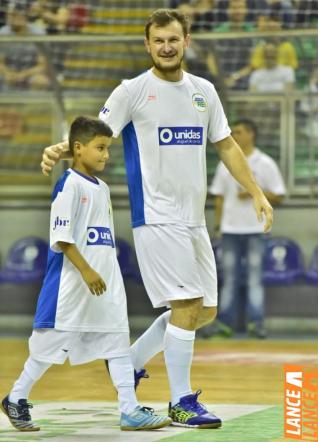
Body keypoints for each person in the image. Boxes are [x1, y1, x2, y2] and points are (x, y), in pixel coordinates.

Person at [40, 9, 273, 429]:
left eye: (173, 39)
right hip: (156, 216)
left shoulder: (204, 91)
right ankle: (181, 402)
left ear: (186, 41)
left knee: (205, 311)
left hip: (194, 219)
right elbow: (98, 132)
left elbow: (227, 147)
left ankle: (128, 362)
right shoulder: (132, 90)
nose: (166, 47)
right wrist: (63, 147)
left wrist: (256, 192)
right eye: (158, 40)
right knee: (185, 304)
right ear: (147, 45)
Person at [0, 116, 172, 432]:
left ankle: (130, 409)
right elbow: (62, 238)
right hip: (71, 287)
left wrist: (104, 273)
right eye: (100, 147)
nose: (107, 155)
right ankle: (16, 397)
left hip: (104, 285)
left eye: (108, 148)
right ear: (78, 149)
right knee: (46, 349)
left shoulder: (102, 187)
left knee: (118, 343)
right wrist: (88, 270)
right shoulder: (68, 184)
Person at [209, 119, 285, 338]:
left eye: (239, 132)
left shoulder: (265, 163)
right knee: (229, 279)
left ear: (251, 134)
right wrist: (218, 226)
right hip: (230, 229)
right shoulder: (226, 162)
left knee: (254, 278)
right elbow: (219, 197)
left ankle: (256, 324)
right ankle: (224, 324)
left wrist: (255, 192)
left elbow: (279, 194)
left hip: (256, 229)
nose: (235, 135)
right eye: (233, 132)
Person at [0, 1, 50, 91]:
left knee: (41, 81)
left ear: (25, 16)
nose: (11, 18)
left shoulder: (38, 34)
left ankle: (33, 105)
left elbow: (42, 66)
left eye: (15, 15)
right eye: (10, 15)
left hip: (31, 74)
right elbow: (0, 63)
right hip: (9, 73)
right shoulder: (3, 33)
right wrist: (8, 73)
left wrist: (23, 74)